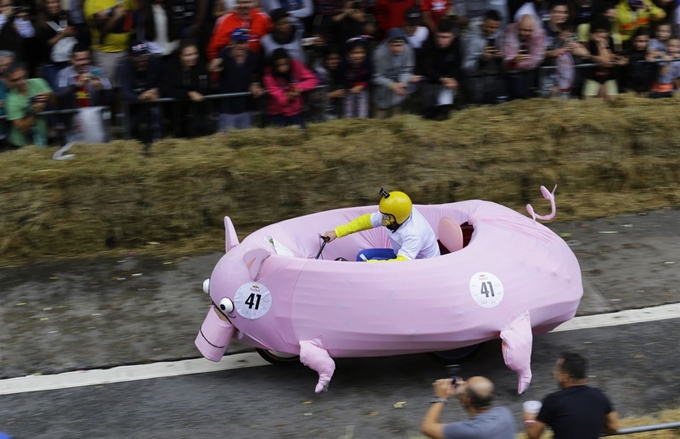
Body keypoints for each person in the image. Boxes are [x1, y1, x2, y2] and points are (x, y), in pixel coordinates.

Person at [322, 188, 440, 262]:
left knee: (367, 263)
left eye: (387, 218)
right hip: (401, 255)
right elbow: (366, 221)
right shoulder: (395, 213)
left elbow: (402, 263)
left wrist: (372, 264)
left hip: (419, 266)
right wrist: (337, 232)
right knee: (362, 256)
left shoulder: (414, 233)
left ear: (398, 216)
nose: (383, 220)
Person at [525, 352, 619, 439]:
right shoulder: (599, 396)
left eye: (557, 372)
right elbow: (614, 427)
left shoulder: (553, 400)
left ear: (564, 377)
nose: (555, 375)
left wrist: (529, 421)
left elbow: (533, 435)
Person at [420, 376, 516, 439]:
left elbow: (427, 427)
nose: (460, 382)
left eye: (464, 384)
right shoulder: (505, 413)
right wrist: (463, 394)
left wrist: (440, 398)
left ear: (468, 400)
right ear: (492, 397)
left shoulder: (469, 431)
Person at [209, 28, 264, 131]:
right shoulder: (225, 54)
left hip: (246, 107)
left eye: (242, 43)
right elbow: (211, 68)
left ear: (247, 43)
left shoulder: (253, 57)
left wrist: (255, 84)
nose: (239, 46)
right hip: (226, 108)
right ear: (231, 42)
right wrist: (215, 65)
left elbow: (256, 75)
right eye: (236, 42)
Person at [161, 39, 211, 137]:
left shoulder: (201, 65)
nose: (193, 57)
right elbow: (168, 90)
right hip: (176, 112)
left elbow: (204, 85)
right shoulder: (170, 67)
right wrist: (188, 93)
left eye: (195, 53)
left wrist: (197, 93)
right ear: (180, 56)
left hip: (197, 111)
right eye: (188, 55)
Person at [118, 40, 163, 146]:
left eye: (144, 56)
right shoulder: (124, 66)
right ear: (130, 56)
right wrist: (140, 97)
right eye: (138, 57)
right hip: (134, 104)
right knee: (132, 127)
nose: (142, 60)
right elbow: (125, 92)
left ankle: (157, 143)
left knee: (155, 118)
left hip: (152, 101)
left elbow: (164, 81)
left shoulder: (154, 61)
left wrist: (157, 90)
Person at [4, 62, 55, 149]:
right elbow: (22, 127)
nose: (22, 82)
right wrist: (35, 112)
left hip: (41, 138)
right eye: (16, 80)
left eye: (23, 77)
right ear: (11, 81)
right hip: (21, 144)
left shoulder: (39, 82)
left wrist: (49, 96)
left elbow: (56, 103)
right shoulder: (11, 100)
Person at [263, 47, 318, 128]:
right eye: (279, 65)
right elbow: (280, 98)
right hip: (278, 114)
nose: (283, 68)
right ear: (274, 65)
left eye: (285, 64)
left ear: (289, 61)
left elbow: (313, 79)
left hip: (296, 112)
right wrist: (290, 95)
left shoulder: (295, 65)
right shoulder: (268, 77)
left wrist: (299, 87)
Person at [462, 9, 507, 104]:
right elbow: (465, 67)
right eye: (490, 27)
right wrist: (482, 60)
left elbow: (504, 63)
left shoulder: (499, 35)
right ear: (484, 21)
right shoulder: (470, 38)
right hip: (475, 81)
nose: (492, 30)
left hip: (494, 79)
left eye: (496, 27)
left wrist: (500, 58)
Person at [421, 18, 462, 121]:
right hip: (432, 79)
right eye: (438, 36)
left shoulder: (457, 44)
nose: (440, 40)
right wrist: (441, 78)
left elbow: (458, 66)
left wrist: (454, 79)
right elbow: (426, 68)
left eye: (445, 37)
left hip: (448, 81)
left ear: (453, 36)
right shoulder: (429, 44)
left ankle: (445, 109)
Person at [34, 0, 78, 90]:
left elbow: (75, 33)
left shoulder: (65, 16)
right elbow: (45, 43)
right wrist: (63, 34)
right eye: (49, 3)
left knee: (71, 87)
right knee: (56, 89)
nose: (53, 5)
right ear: (45, 5)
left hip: (67, 60)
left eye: (55, 2)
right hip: (50, 64)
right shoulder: (40, 21)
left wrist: (72, 32)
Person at [207, 0, 272, 59]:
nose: (243, 5)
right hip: (231, 66)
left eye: (247, 2)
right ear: (236, 3)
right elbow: (213, 50)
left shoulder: (264, 18)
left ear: (253, 3)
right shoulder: (224, 20)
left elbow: (272, 41)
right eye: (240, 2)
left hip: (258, 65)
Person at [371, 29, 415, 118]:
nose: (397, 49)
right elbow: (375, 76)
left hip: (397, 98)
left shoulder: (407, 50)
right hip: (381, 97)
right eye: (393, 45)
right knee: (378, 124)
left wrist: (403, 82)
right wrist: (391, 85)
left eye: (399, 45)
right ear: (387, 44)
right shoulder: (378, 54)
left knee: (396, 122)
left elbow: (407, 69)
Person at [56, 43, 113, 110]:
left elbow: (109, 87)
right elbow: (61, 93)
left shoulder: (97, 71)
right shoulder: (63, 74)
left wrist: (102, 87)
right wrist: (76, 86)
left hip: (94, 110)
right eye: (80, 60)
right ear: (71, 60)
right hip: (72, 112)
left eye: (86, 59)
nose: (84, 62)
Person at [503, 14, 546, 99]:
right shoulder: (510, 30)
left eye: (528, 30)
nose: (525, 33)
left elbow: (536, 60)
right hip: (512, 73)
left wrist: (517, 63)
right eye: (522, 30)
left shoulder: (539, 34)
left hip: (531, 72)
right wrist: (513, 62)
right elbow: (507, 59)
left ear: (533, 28)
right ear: (518, 25)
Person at [584, 16, 626, 99]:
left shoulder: (611, 40)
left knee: (612, 99)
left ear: (608, 32)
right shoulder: (590, 42)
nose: (600, 35)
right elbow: (602, 60)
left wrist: (601, 44)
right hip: (593, 77)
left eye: (603, 32)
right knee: (589, 100)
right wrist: (599, 44)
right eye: (597, 32)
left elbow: (607, 61)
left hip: (609, 76)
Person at [342, 37, 372, 118]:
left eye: (362, 52)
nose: (358, 55)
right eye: (354, 53)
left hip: (363, 88)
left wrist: (361, 86)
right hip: (349, 89)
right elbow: (342, 79)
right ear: (348, 54)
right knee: (349, 113)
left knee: (362, 113)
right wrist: (350, 87)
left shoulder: (367, 62)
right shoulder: (344, 64)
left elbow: (371, 78)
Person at [625, 26, 656, 94]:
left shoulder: (651, 53)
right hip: (631, 89)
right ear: (633, 40)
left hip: (646, 88)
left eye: (646, 41)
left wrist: (652, 61)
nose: (643, 44)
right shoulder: (627, 53)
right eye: (639, 41)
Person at [0, 50, 14, 150]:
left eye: (9, 64)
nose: (6, 68)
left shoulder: (19, 80)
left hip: (15, 130)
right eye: (2, 65)